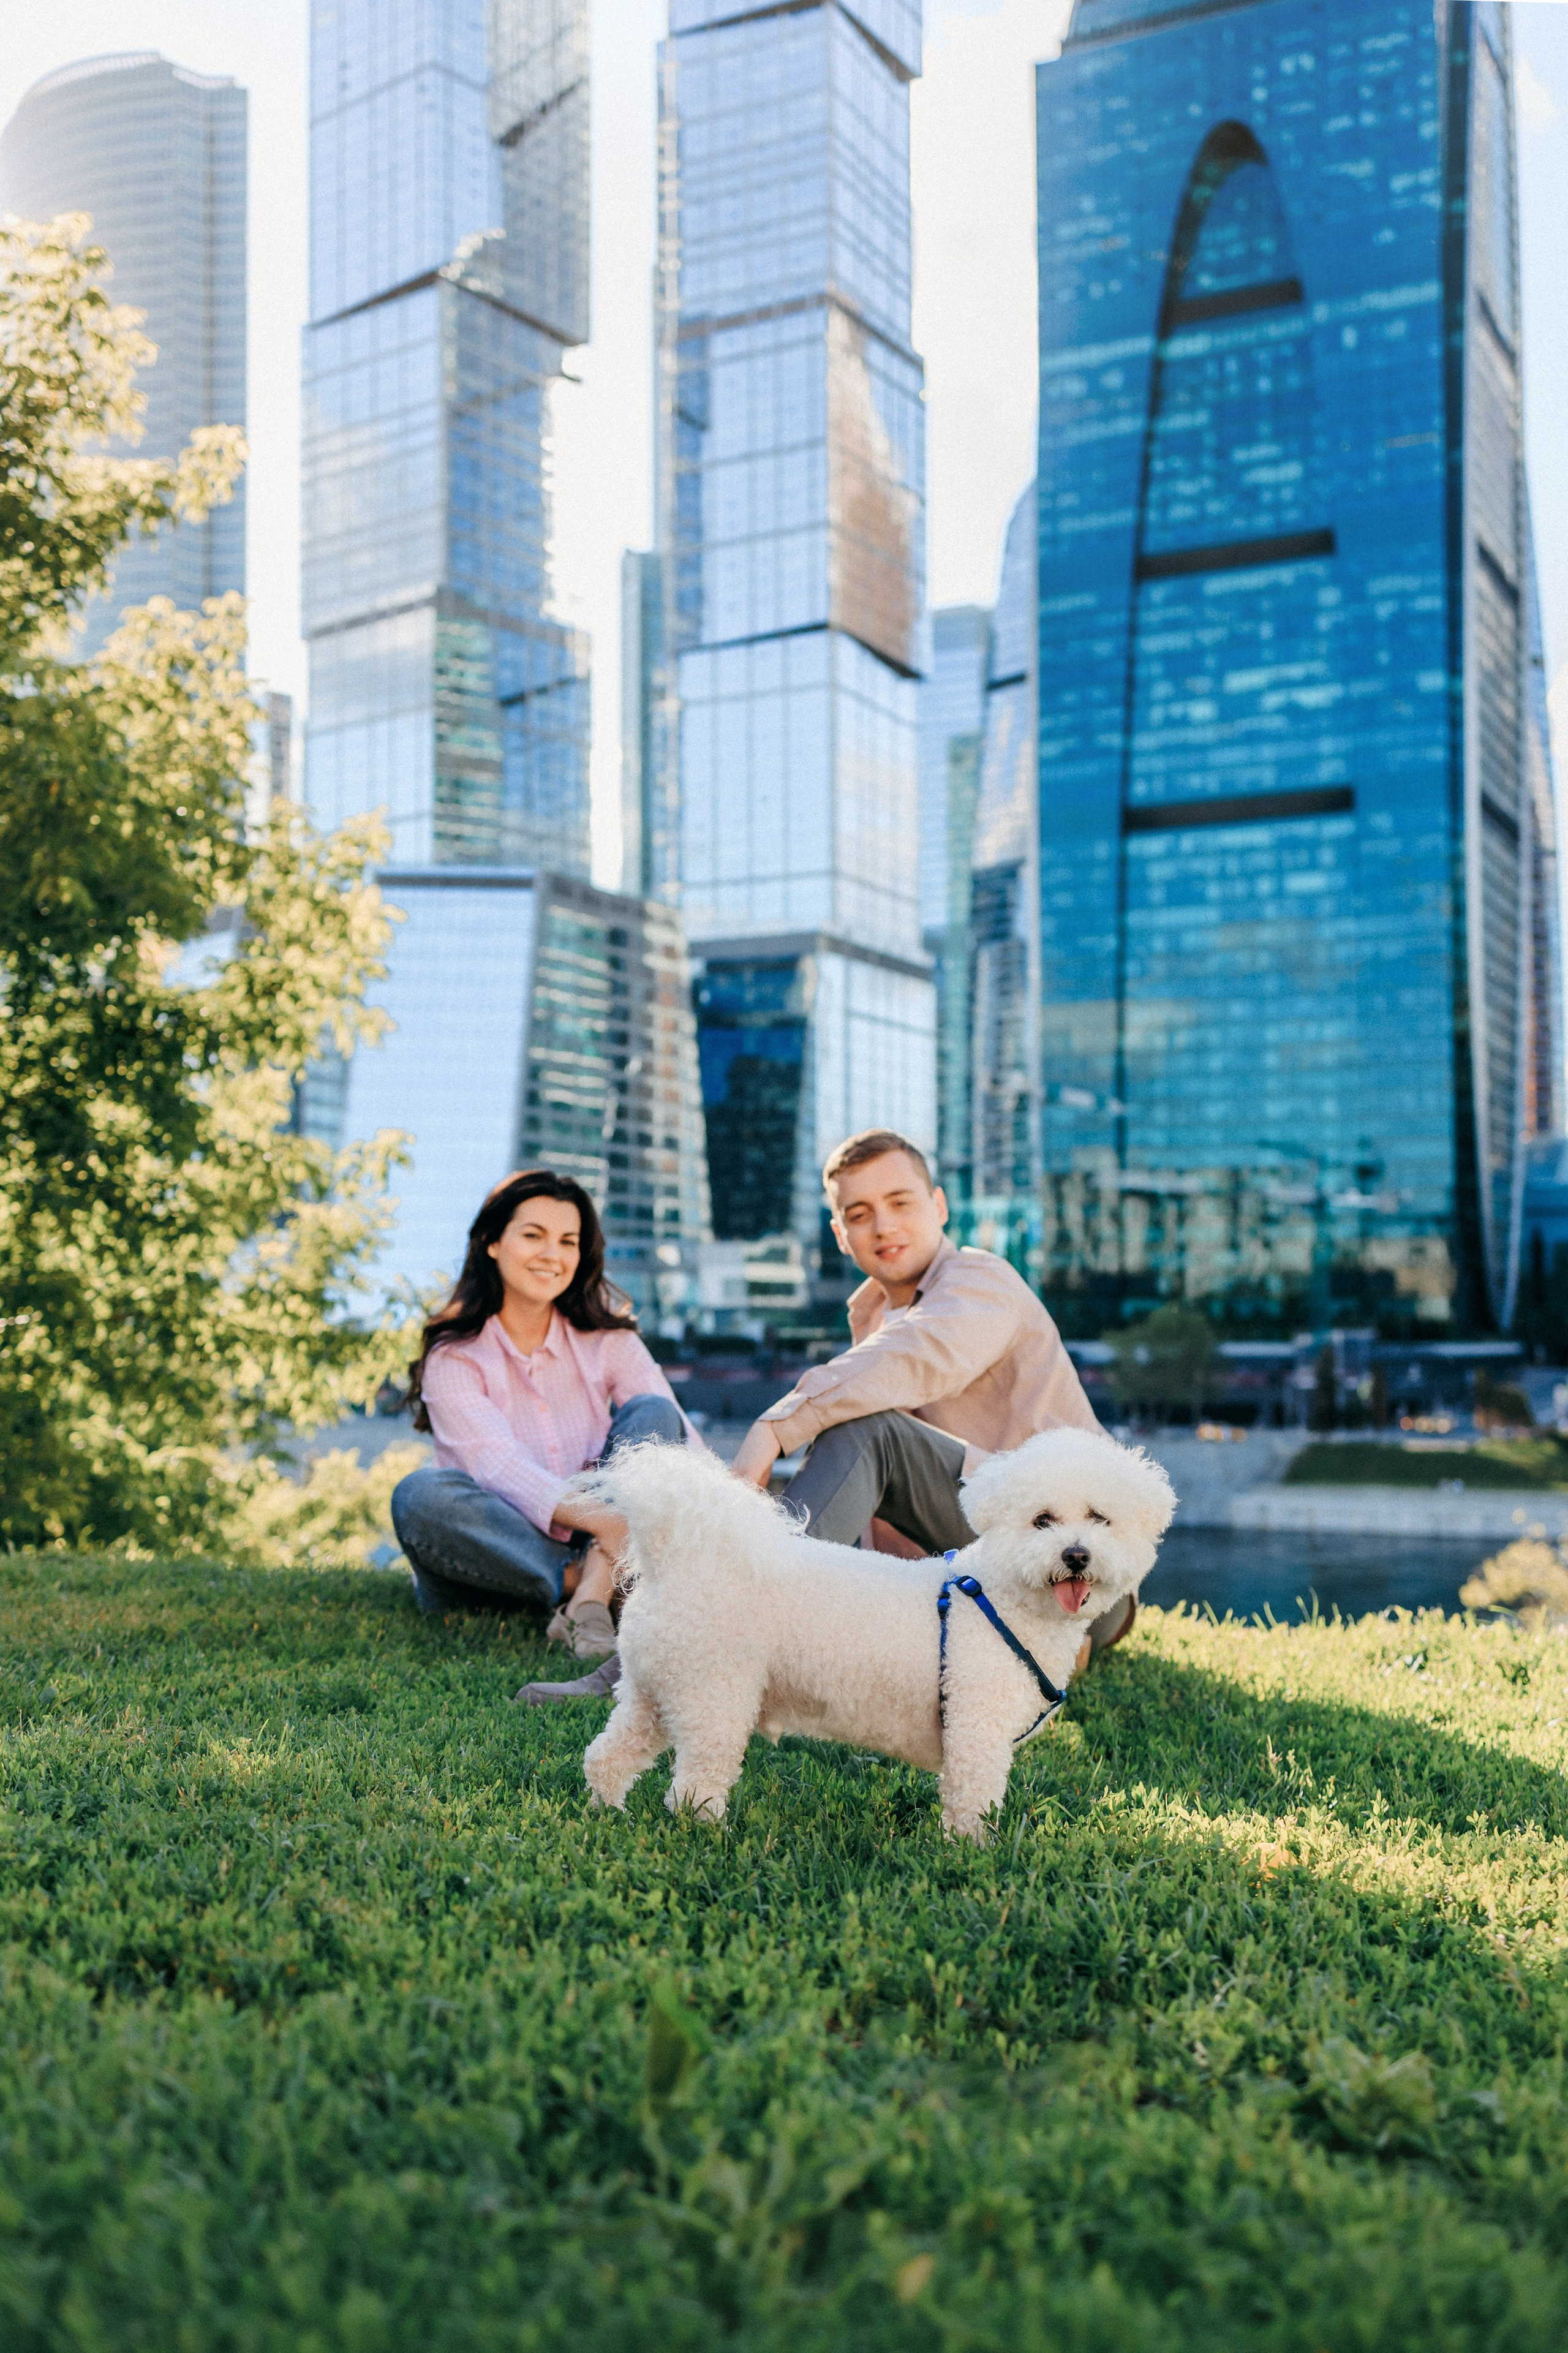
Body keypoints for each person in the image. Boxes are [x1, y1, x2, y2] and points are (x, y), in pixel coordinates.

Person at [727, 1127, 1135, 1662]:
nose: (884, 1226)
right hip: (963, 1563)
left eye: (900, 1202)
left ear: (939, 1205)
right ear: (841, 1235)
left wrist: (776, 1428)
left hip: (1074, 1562)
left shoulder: (983, 1282)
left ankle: (737, 1627)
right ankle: (757, 1615)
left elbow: (919, 1356)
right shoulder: (872, 1318)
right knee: (858, 1428)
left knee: (867, 1429)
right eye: (859, 1214)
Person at [390, 1169, 695, 1698]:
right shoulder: (454, 1355)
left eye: (568, 1241)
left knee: (654, 1413)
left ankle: (589, 1599)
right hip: (496, 1555)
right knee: (418, 1495)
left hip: (602, 1528)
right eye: (533, 1235)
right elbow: (497, 1466)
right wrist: (610, 1528)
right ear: (492, 1242)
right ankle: (594, 1581)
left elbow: (680, 1436)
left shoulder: (608, 1339)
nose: (552, 1254)